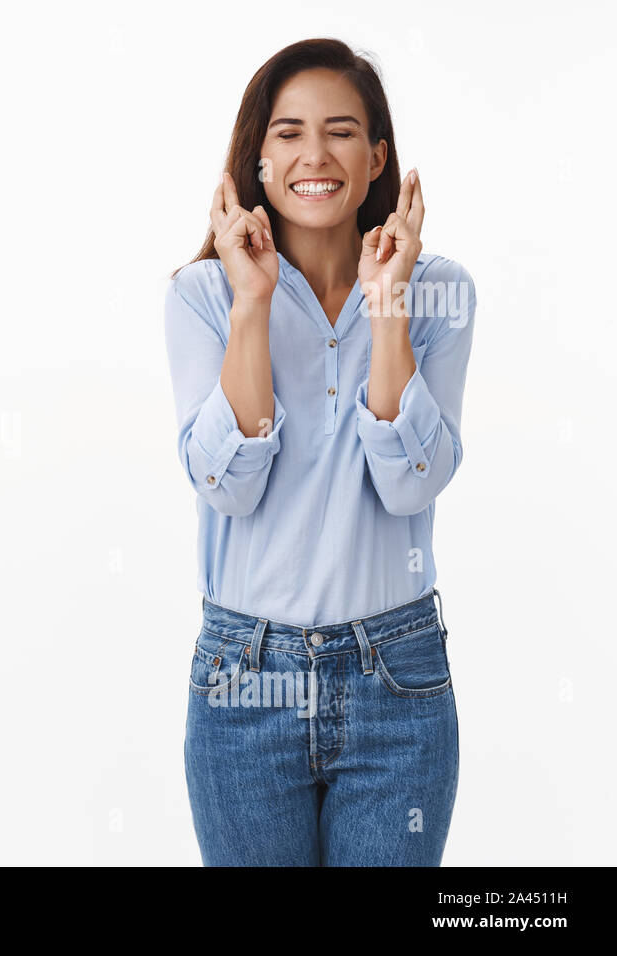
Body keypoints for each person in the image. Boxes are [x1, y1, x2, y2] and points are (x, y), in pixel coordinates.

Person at [163, 38, 475, 866]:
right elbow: (225, 487)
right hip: (245, 682)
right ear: (258, 159)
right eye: (290, 133)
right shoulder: (204, 296)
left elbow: (411, 486)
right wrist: (253, 306)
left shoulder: (439, 292)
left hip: (396, 681)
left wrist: (389, 310)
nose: (315, 155)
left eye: (340, 132)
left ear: (377, 159)